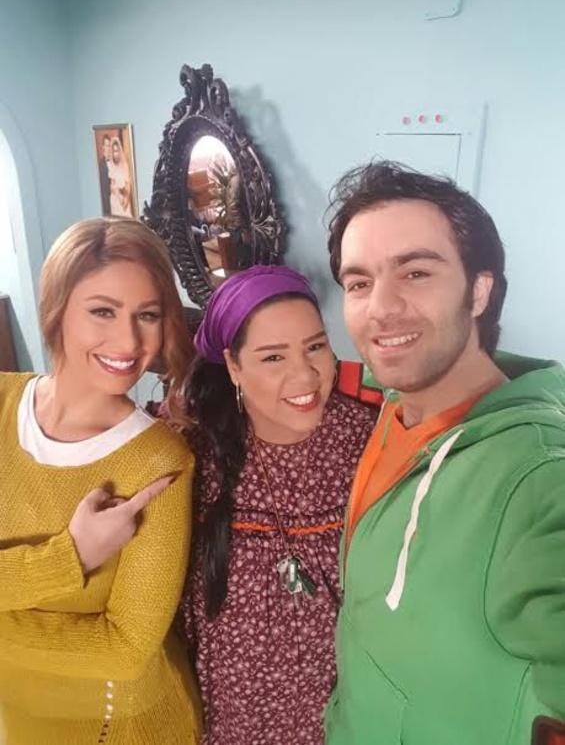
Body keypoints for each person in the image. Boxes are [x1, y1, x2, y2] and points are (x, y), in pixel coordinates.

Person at [323, 160, 565, 745]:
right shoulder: (399, 398)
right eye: (359, 283)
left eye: (416, 273)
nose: (381, 308)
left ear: (479, 290)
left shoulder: (538, 477)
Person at [0, 217, 200, 744]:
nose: (129, 340)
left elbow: (127, 649)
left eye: (147, 315)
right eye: (103, 311)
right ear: (57, 309)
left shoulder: (159, 462)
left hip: (127, 726)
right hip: (19, 719)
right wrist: (68, 558)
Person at [180, 265, 378, 745]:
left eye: (315, 347)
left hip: (341, 716)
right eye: (273, 356)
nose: (305, 374)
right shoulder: (195, 454)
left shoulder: (368, 441)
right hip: (229, 720)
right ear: (233, 366)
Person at [109, 137, 133, 217]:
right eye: (113, 151)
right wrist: (117, 194)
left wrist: (125, 200)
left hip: (124, 199)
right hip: (115, 200)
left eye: (116, 151)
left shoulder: (124, 165)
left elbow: (128, 185)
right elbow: (112, 185)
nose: (115, 154)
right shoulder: (111, 166)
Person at [99, 134, 112, 216]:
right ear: (103, 147)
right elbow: (104, 189)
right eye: (106, 145)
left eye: (109, 145)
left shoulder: (114, 162)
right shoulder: (101, 165)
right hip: (108, 204)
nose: (108, 148)